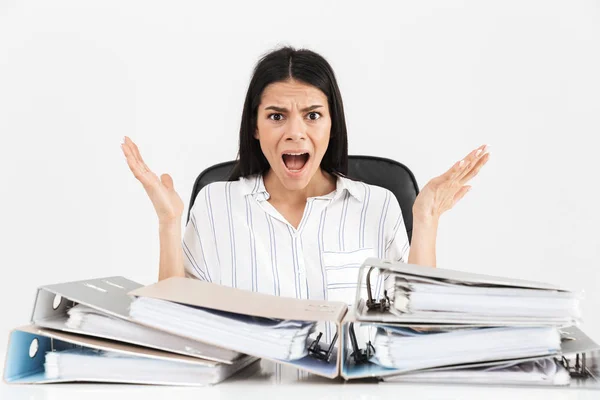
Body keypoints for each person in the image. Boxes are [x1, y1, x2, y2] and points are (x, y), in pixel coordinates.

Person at [121, 46, 490, 305]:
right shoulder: (216, 205)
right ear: (255, 126)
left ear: (332, 125)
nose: (295, 133)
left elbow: (416, 324)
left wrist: (426, 220)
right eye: (277, 116)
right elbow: (176, 321)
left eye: (312, 115)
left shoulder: (378, 205)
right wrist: (169, 223)